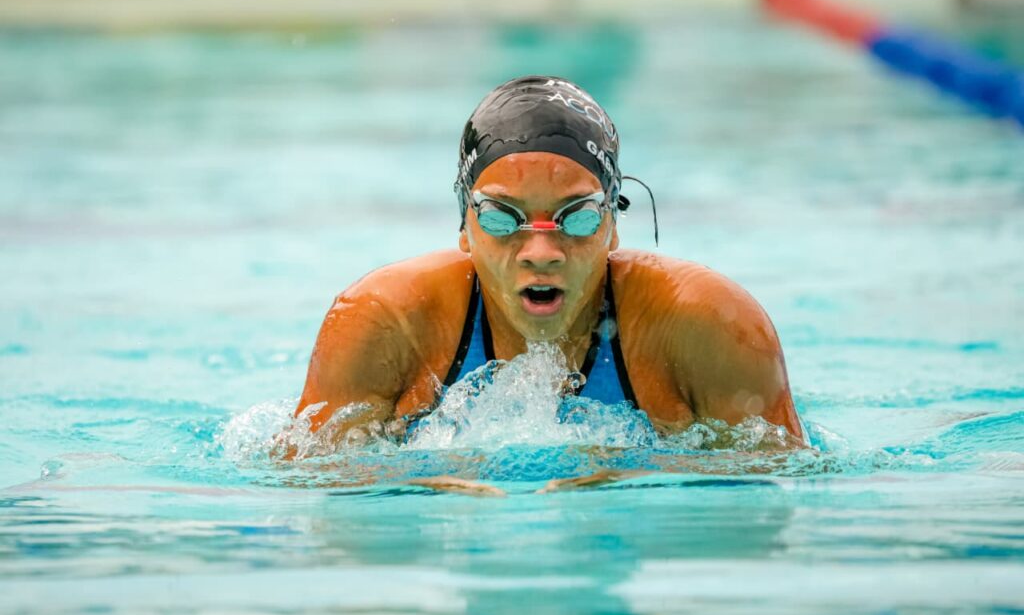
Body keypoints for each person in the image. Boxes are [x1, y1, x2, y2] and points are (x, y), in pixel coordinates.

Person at [294, 75, 803, 451]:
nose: (541, 252)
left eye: (576, 217)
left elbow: (772, 487)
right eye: (501, 218)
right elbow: (308, 487)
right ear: (465, 226)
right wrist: (435, 485)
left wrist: (625, 480)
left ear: (612, 224)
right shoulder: (389, 321)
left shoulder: (707, 325)